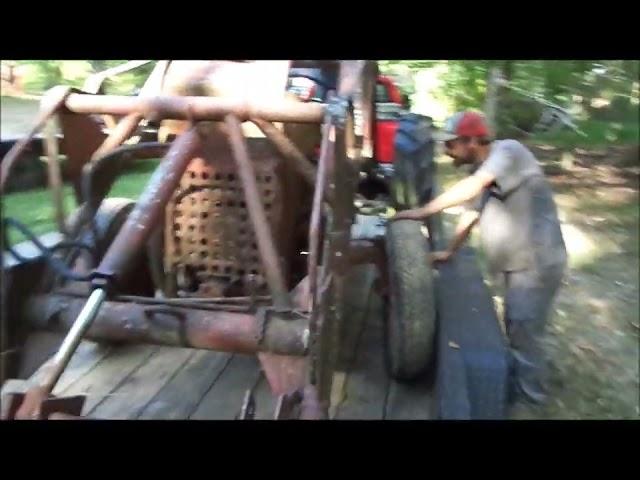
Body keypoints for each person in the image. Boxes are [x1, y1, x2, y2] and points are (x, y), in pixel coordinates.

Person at [392, 110, 568, 410]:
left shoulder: (508, 151)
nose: (447, 152)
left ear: (471, 140)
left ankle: (531, 400)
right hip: (518, 264)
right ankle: (518, 383)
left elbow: (471, 189)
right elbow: (471, 213)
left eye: (451, 145)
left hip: (538, 262)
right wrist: (449, 251)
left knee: (525, 333)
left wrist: (423, 212)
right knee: (515, 326)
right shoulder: (485, 169)